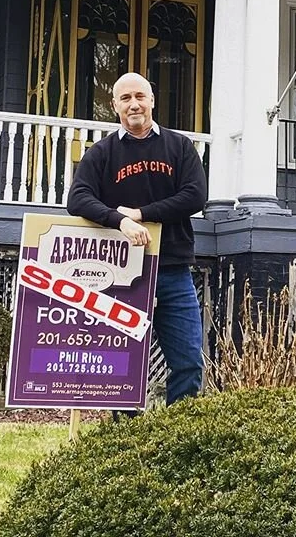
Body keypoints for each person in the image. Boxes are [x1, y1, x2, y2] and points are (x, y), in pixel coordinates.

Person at [66, 72, 207, 405]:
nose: (134, 104)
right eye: (125, 98)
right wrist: (119, 221)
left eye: (140, 96)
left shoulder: (179, 146)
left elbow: (195, 196)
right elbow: (78, 199)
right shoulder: (101, 153)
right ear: (114, 106)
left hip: (173, 270)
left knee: (188, 362)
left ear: (152, 100)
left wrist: (140, 214)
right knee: (120, 363)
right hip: (121, 273)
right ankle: (126, 437)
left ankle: (177, 433)